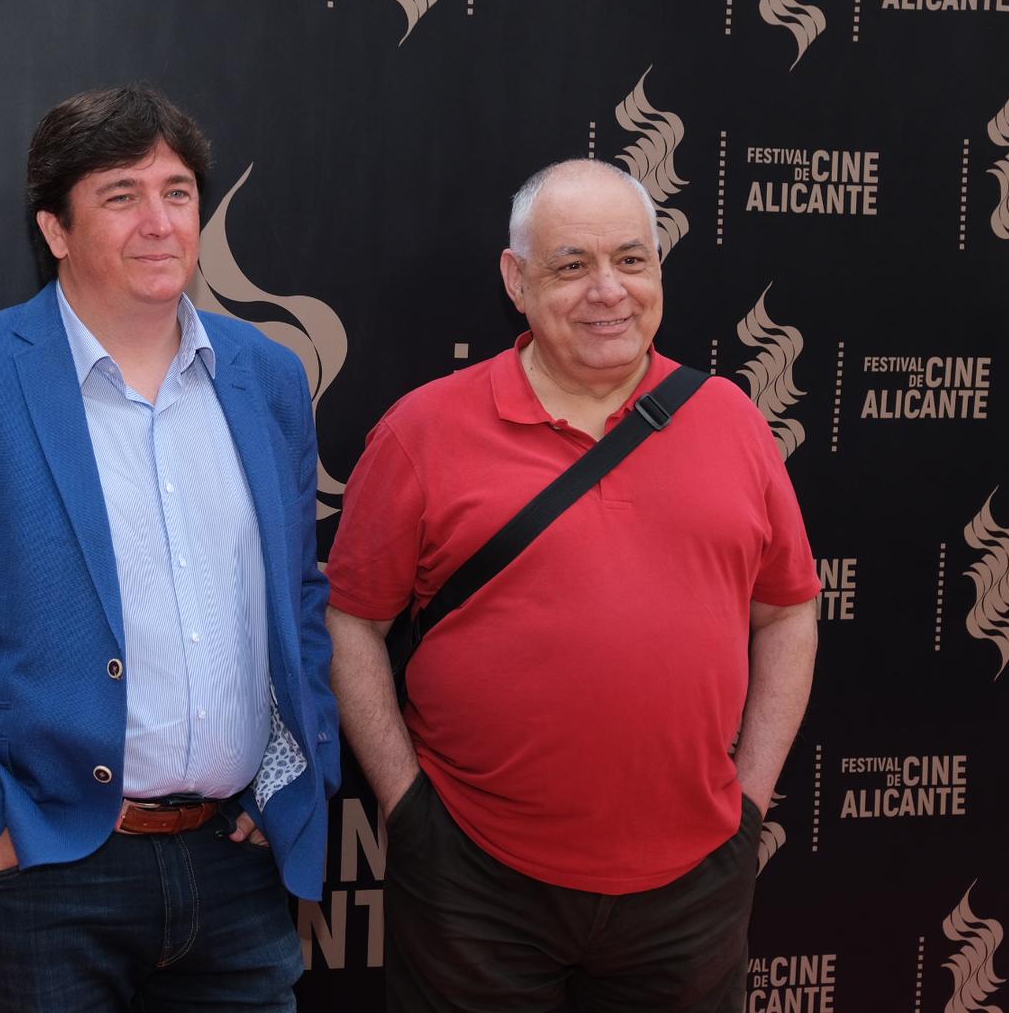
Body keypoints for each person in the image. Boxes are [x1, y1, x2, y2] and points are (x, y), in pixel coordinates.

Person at [0, 85, 337, 1013]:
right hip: (39, 874)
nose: (159, 222)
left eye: (177, 192)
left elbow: (296, 596)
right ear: (55, 230)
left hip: (235, 869)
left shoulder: (264, 375)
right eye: (121, 195)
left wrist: (292, 779)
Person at [326, 159, 819, 1012]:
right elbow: (349, 625)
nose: (609, 291)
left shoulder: (733, 421)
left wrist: (749, 804)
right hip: (476, 888)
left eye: (632, 260)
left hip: (693, 891)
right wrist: (407, 810)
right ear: (516, 281)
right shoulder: (423, 431)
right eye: (572, 265)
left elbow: (787, 613)